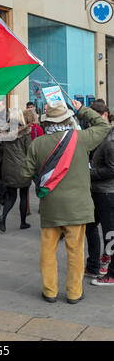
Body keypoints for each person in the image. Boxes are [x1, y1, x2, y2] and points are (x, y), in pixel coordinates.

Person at [21, 100, 111, 304]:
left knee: (47, 251)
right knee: (76, 251)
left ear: (47, 122)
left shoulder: (37, 144)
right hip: (77, 207)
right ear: (68, 119)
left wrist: (41, 178)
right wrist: (82, 109)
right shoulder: (81, 138)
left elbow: (25, 174)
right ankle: (73, 292)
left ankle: (50, 291)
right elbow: (104, 126)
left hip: (51, 206)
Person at [85, 101, 114, 286]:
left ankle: (111, 273)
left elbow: (112, 168)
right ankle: (94, 264)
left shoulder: (110, 140)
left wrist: (90, 173)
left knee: (110, 233)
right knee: (91, 226)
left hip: (107, 192)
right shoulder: (103, 137)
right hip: (98, 191)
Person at [0, 110, 32, 232]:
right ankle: (23, 222)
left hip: (7, 167)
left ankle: (4, 216)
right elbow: (29, 150)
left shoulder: (4, 131)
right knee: (23, 195)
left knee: (11, 197)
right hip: (22, 168)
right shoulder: (25, 132)